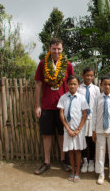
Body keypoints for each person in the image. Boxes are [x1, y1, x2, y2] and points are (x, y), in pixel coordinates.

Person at [34, 38, 74, 175]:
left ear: (62, 50)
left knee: (62, 134)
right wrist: (37, 106)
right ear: (49, 49)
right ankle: (46, 162)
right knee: (46, 134)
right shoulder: (42, 64)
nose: (56, 51)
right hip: (46, 105)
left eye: (59, 49)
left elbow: (71, 85)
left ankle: (63, 160)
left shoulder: (67, 65)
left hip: (63, 106)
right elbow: (38, 85)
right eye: (54, 49)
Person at [58, 75, 89, 183]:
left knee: (78, 151)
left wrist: (78, 129)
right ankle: (72, 171)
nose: (72, 86)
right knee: (70, 151)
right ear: (67, 85)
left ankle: (77, 172)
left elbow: (85, 114)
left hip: (78, 131)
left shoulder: (81, 98)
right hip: (68, 130)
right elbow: (61, 114)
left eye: (74, 84)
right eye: (70, 83)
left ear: (78, 85)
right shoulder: (63, 97)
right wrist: (68, 128)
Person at [92, 75, 110, 185]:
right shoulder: (97, 98)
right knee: (100, 152)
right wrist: (93, 131)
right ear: (101, 85)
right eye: (105, 84)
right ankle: (101, 173)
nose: (107, 86)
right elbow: (94, 115)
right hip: (99, 130)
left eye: (109, 84)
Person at [78, 67, 100, 173]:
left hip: (92, 118)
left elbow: (98, 104)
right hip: (81, 119)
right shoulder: (78, 88)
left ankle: (91, 161)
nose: (89, 77)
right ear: (83, 75)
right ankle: (85, 161)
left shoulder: (96, 89)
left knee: (92, 140)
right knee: (82, 140)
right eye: (87, 75)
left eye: (91, 75)